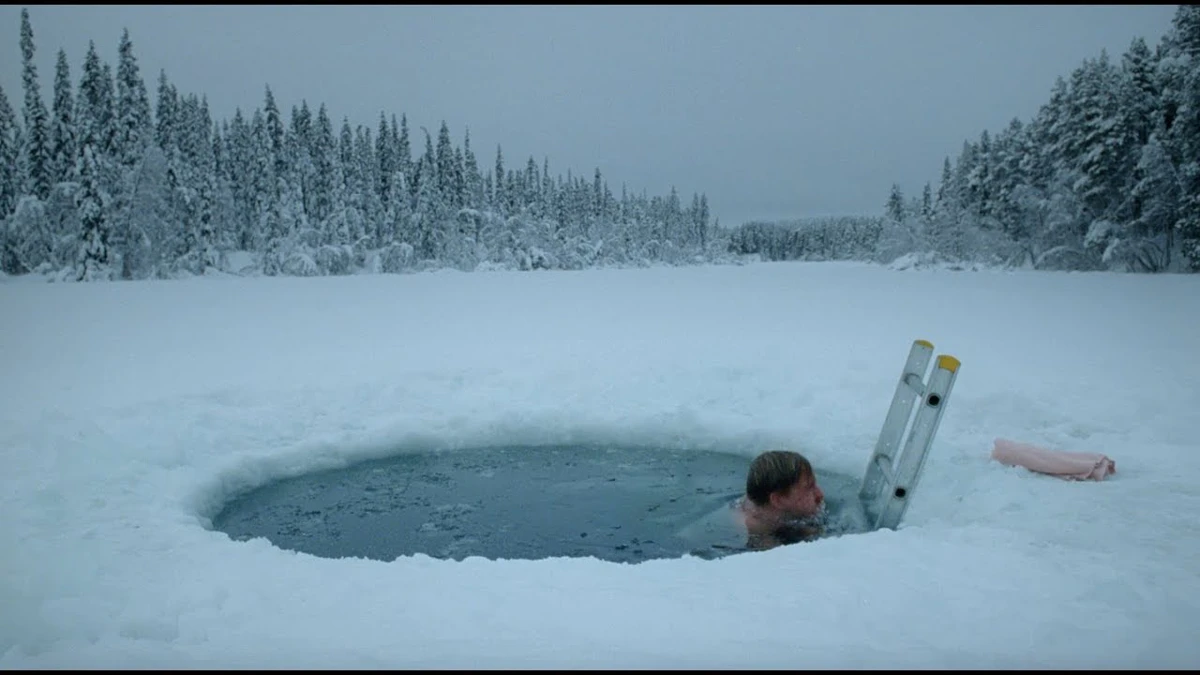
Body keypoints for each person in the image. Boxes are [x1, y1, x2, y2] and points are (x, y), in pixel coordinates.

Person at [736, 450, 825, 551]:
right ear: (778, 500)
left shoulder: (765, 501)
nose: (820, 494)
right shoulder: (756, 528)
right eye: (809, 487)